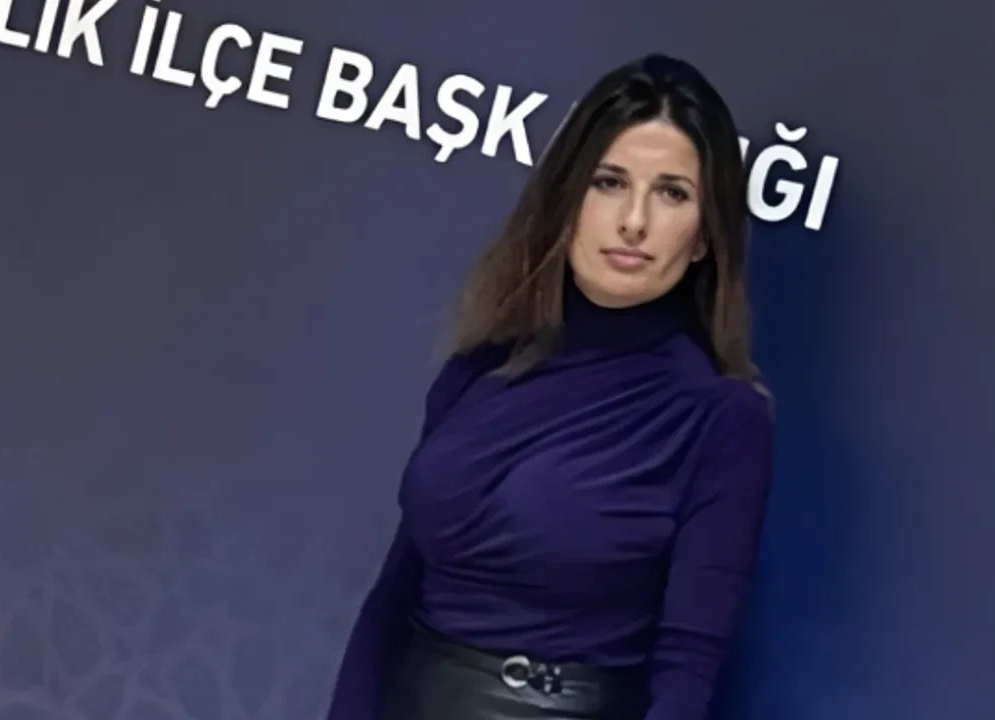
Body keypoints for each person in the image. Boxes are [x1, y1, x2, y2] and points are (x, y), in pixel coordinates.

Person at [325, 53, 775, 720]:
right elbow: (395, 591)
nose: (634, 221)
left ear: (706, 235)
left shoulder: (722, 416)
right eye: (609, 182)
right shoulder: (481, 364)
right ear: (566, 202)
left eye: (672, 193)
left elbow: (688, 667)